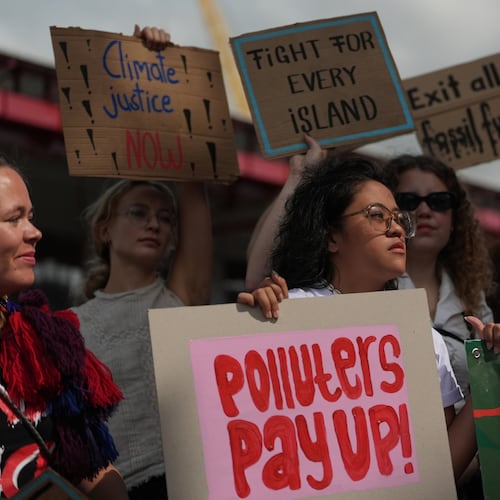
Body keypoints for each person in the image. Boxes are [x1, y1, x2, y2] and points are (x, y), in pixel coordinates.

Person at [237, 137, 500, 487]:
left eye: (397, 219)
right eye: (377, 216)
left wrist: (491, 374)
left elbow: (441, 470)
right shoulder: (285, 311)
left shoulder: (423, 338)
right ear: (331, 238)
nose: (396, 228)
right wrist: (249, 320)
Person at [0, 158, 127, 499]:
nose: (34, 231)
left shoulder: (41, 339)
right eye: (14, 219)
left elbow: (89, 465)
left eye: (31, 216)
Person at [385, 154, 495, 402]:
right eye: (408, 200)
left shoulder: (472, 297)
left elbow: (488, 391)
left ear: (456, 218)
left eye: (439, 201)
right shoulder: (366, 286)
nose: (423, 210)